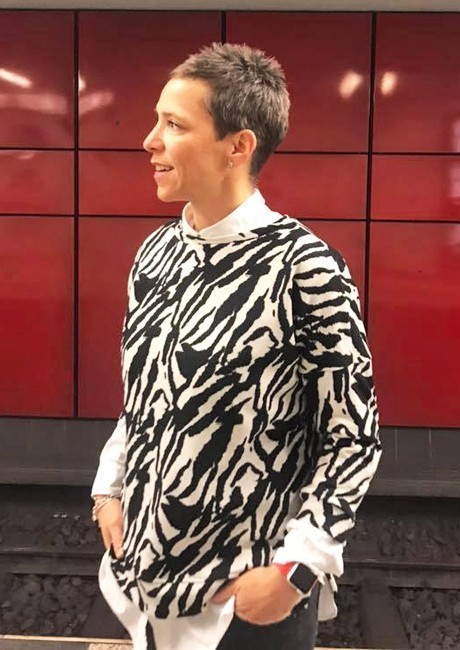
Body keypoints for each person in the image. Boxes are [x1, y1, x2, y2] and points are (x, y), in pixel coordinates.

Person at [91, 42, 381, 650]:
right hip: (147, 581)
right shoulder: (156, 253)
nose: (149, 141)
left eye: (174, 125)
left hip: (248, 599)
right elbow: (144, 395)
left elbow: (352, 436)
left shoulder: (304, 268)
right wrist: (108, 488)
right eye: (156, 121)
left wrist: (297, 570)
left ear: (238, 146)